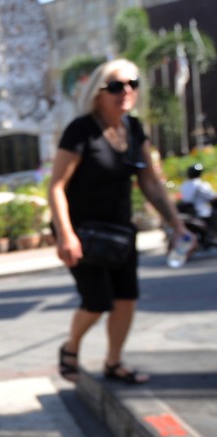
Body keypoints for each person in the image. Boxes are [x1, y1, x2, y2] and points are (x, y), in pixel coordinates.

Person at [49, 58, 194, 385]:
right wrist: (65, 234)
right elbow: (56, 185)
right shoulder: (81, 130)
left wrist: (177, 224)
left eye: (132, 84)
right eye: (115, 86)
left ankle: (113, 362)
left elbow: (151, 183)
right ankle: (70, 347)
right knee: (97, 301)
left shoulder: (134, 129)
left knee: (126, 299)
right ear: (98, 93)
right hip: (82, 232)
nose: (125, 91)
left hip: (120, 230)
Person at [179, 163, 216, 228]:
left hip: (189, 213)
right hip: (202, 213)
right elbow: (212, 196)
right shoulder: (200, 184)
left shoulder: (184, 185)